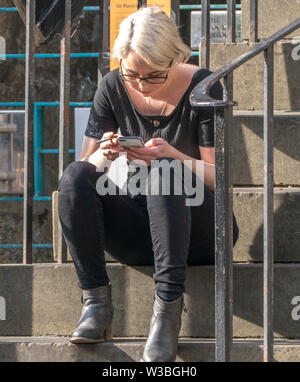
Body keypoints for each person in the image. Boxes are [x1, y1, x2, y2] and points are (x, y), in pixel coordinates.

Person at [57, 6, 239, 362]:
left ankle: (167, 314)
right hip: (137, 231)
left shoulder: (204, 88)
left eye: (153, 75)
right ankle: (95, 301)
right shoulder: (112, 87)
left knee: (164, 173)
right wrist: (106, 155)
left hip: (199, 231)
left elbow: (221, 178)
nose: (140, 83)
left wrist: (172, 155)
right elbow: (85, 170)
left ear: (174, 57)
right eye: (131, 74)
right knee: (74, 176)